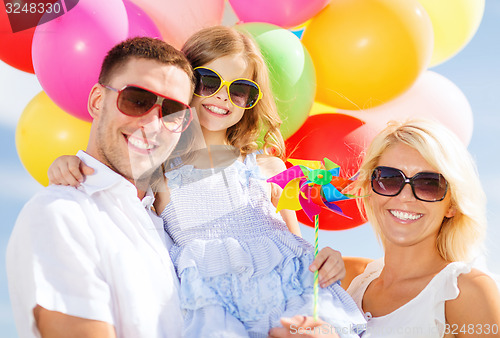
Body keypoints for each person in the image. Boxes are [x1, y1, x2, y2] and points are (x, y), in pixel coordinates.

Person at [47, 26, 366, 337]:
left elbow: (298, 247)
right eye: (208, 81)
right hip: (215, 308)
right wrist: (70, 163)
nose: (223, 97)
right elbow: (109, 184)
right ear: (185, 83)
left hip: (288, 301)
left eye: (240, 91)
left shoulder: (268, 166)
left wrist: (328, 260)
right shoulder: (156, 169)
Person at [6, 37, 195, 338]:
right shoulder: (61, 215)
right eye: (137, 100)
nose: (153, 123)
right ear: (97, 101)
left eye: (172, 111)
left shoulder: (175, 228)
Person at [343, 119, 500, 337]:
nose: (404, 197)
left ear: (452, 205)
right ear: (371, 187)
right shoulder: (346, 277)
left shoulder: (464, 292)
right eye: (389, 179)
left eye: (429, 184)